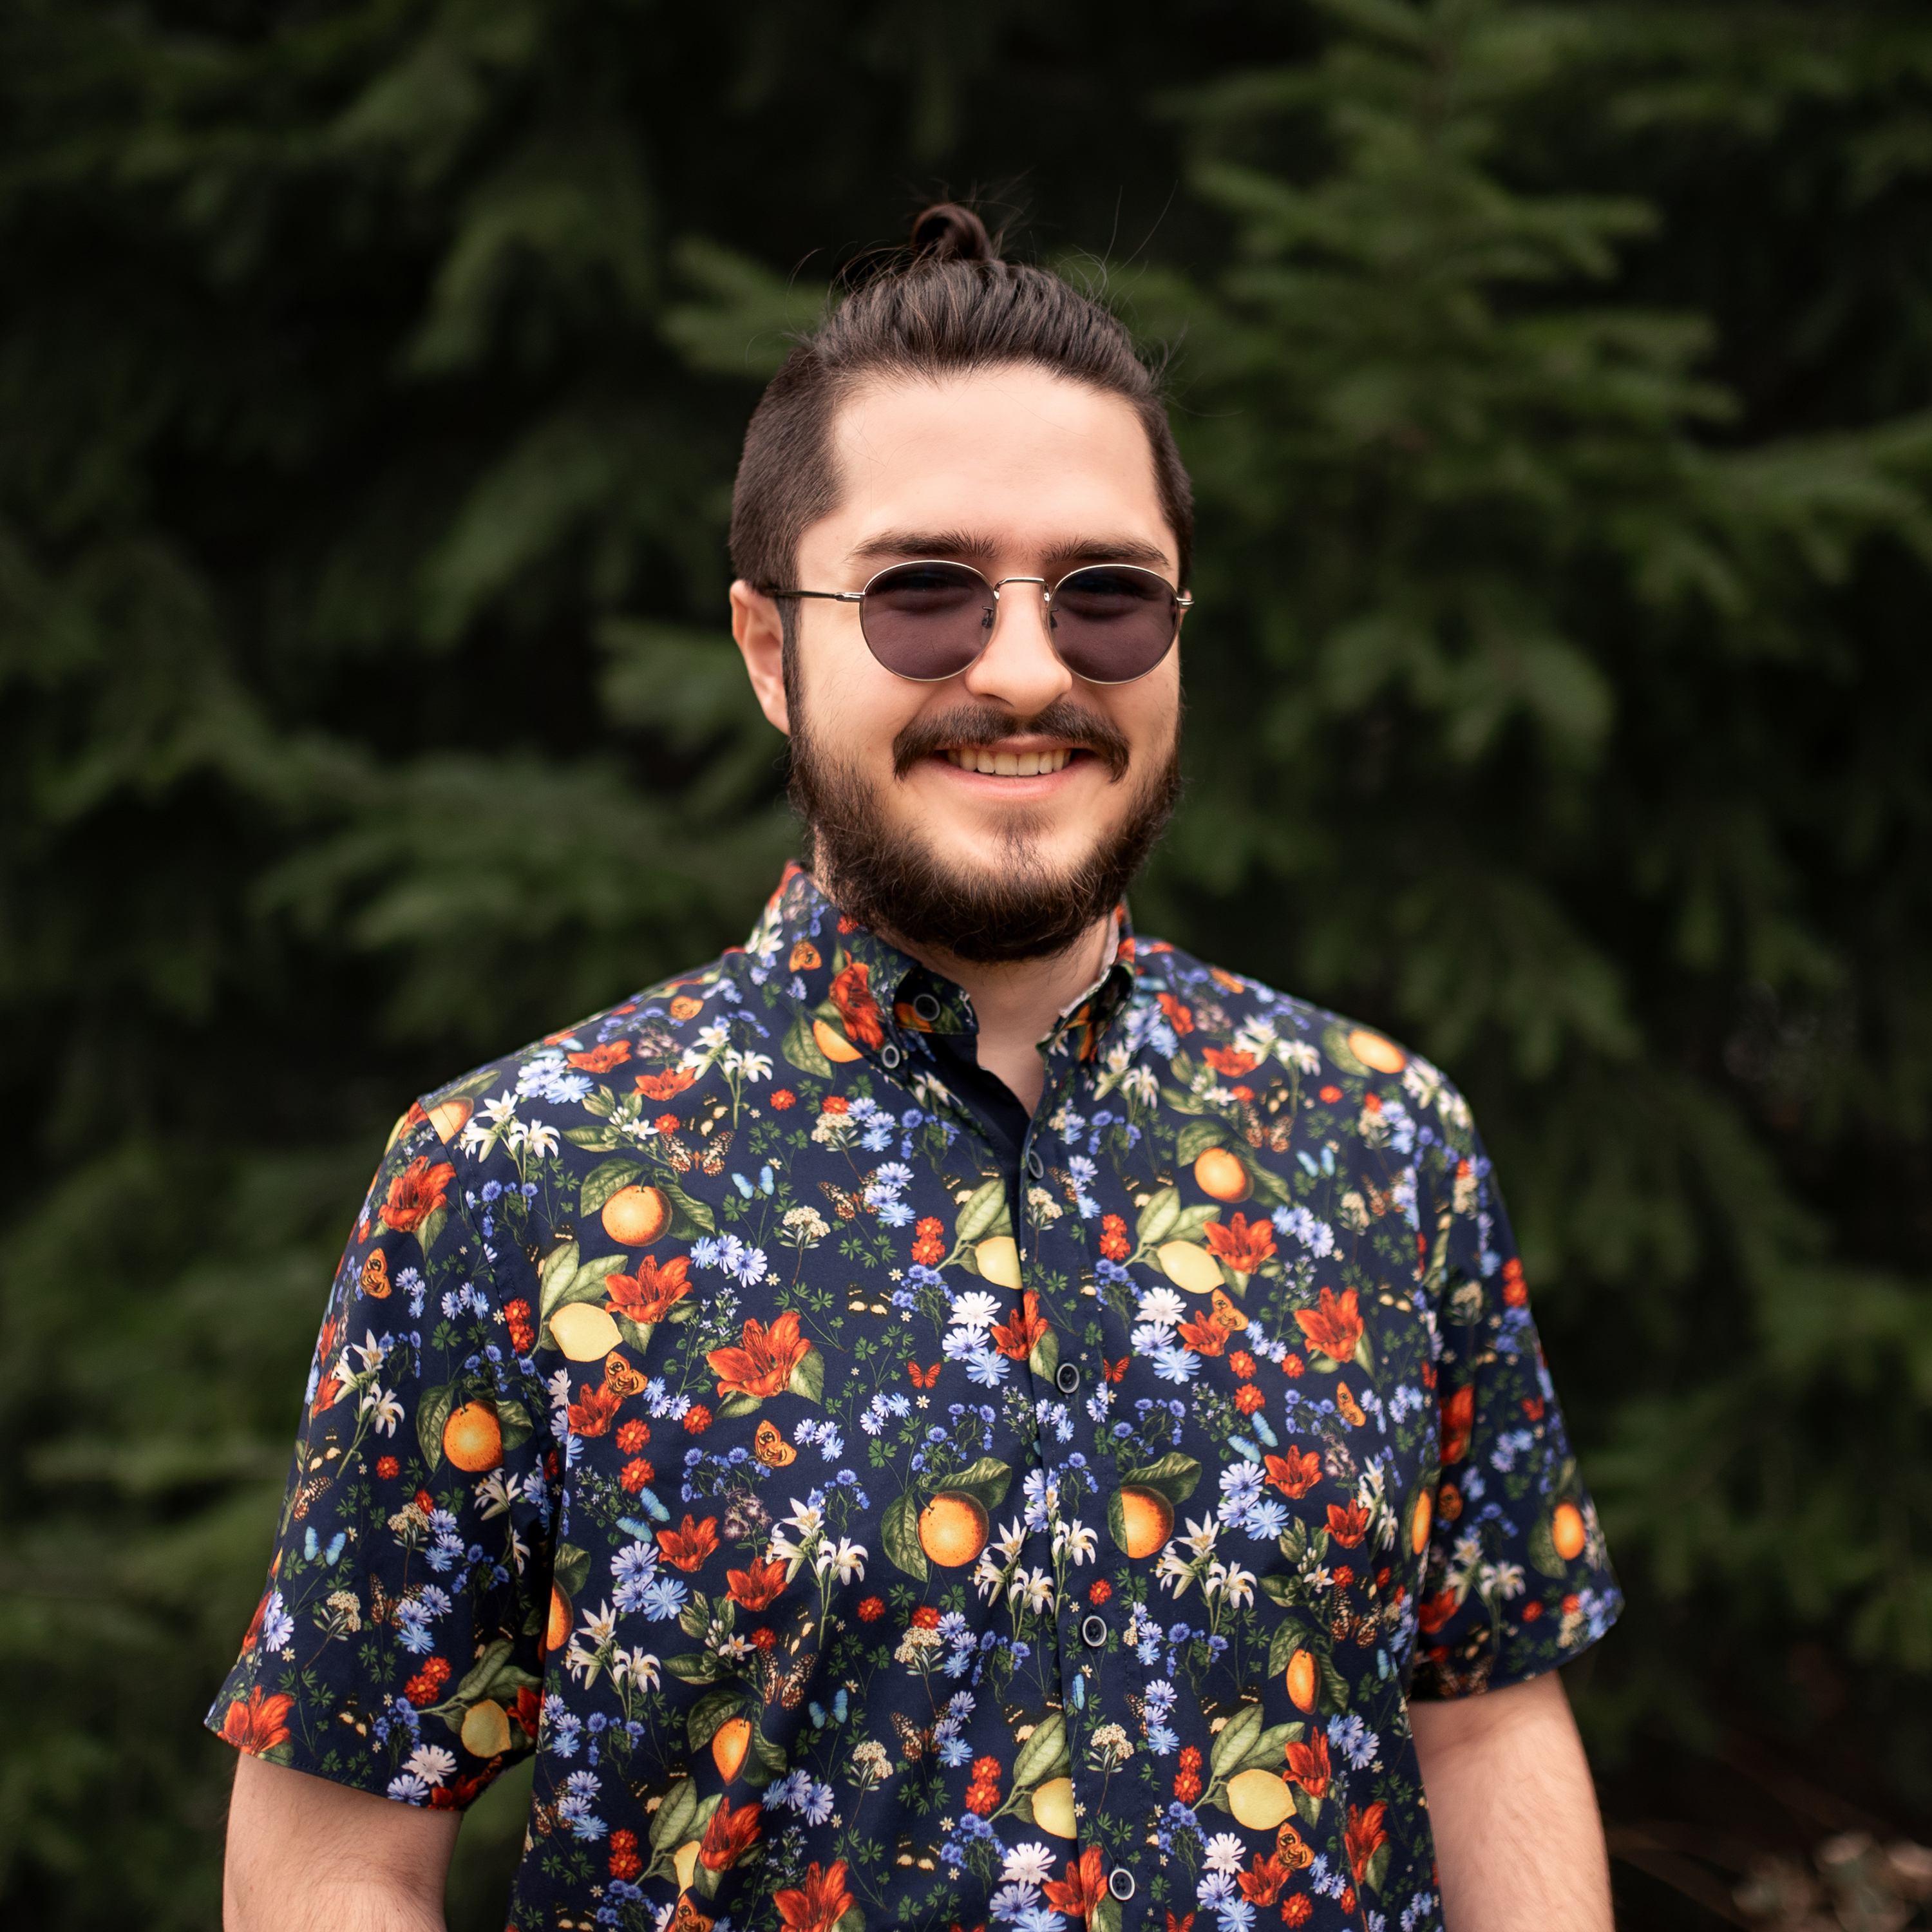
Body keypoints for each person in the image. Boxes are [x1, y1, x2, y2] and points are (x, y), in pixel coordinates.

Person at [216, 203, 1620, 1932]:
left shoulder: (1383, 1148)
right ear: (763, 647)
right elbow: (337, 1852)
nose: (1025, 667)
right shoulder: (517, 1176)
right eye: (922, 595)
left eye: (1106, 597)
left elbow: (1484, 1728)